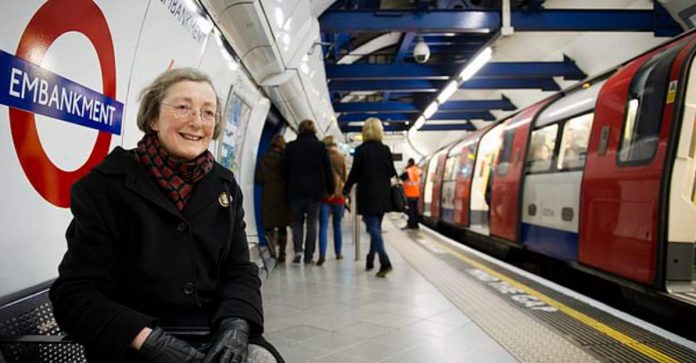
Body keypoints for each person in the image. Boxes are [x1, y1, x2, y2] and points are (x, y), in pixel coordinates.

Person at [49, 68, 283, 363]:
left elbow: (238, 271)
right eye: (183, 107)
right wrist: (151, 341)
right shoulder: (105, 187)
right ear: (152, 118)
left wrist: (236, 323)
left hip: (211, 335)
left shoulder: (224, 187)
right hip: (135, 345)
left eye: (208, 113)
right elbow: (75, 292)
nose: (197, 122)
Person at [343, 118, 398, 278]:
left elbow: (354, 173)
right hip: (383, 194)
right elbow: (391, 173)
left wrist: (346, 188)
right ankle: (370, 258)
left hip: (367, 194)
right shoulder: (385, 150)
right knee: (376, 228)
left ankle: (384, 260)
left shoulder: (361, 150)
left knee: (372, 228)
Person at [281, 120, 334, 264]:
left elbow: (284, 170)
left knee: (297, 222)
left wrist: (289, 184)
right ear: (314, 130)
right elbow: (328, 170)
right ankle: (309, 255)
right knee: (312, 223)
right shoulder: (320, 147)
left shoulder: (290, 147)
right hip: (315, 192)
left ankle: (298, 251)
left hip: (295, 191)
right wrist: (331, 189)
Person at [255, 134, 292, 262]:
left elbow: (258, 179)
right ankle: (282, 254)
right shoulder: (285, 159)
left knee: (269, 227)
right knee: (283, 227)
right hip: (283, 195)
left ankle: (272, 253)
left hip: (268, 195)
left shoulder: (263, 159)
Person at [317, 136, 347, 265]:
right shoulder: (341, 158)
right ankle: (338, 253)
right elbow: (345, 176)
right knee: (337, 226)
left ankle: (322, 254)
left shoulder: (320, 158)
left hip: (324, 196)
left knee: (323, 227)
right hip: (338, 196)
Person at [401, 158, 421, 230]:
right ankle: (416, 224)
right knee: (415, 209)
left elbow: (401, 178)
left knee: (411, 210)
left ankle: (411, 224)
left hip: (410, 193)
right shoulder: (418, 170)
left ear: (409, 163)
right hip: (417, 193)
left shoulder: (408, 171)